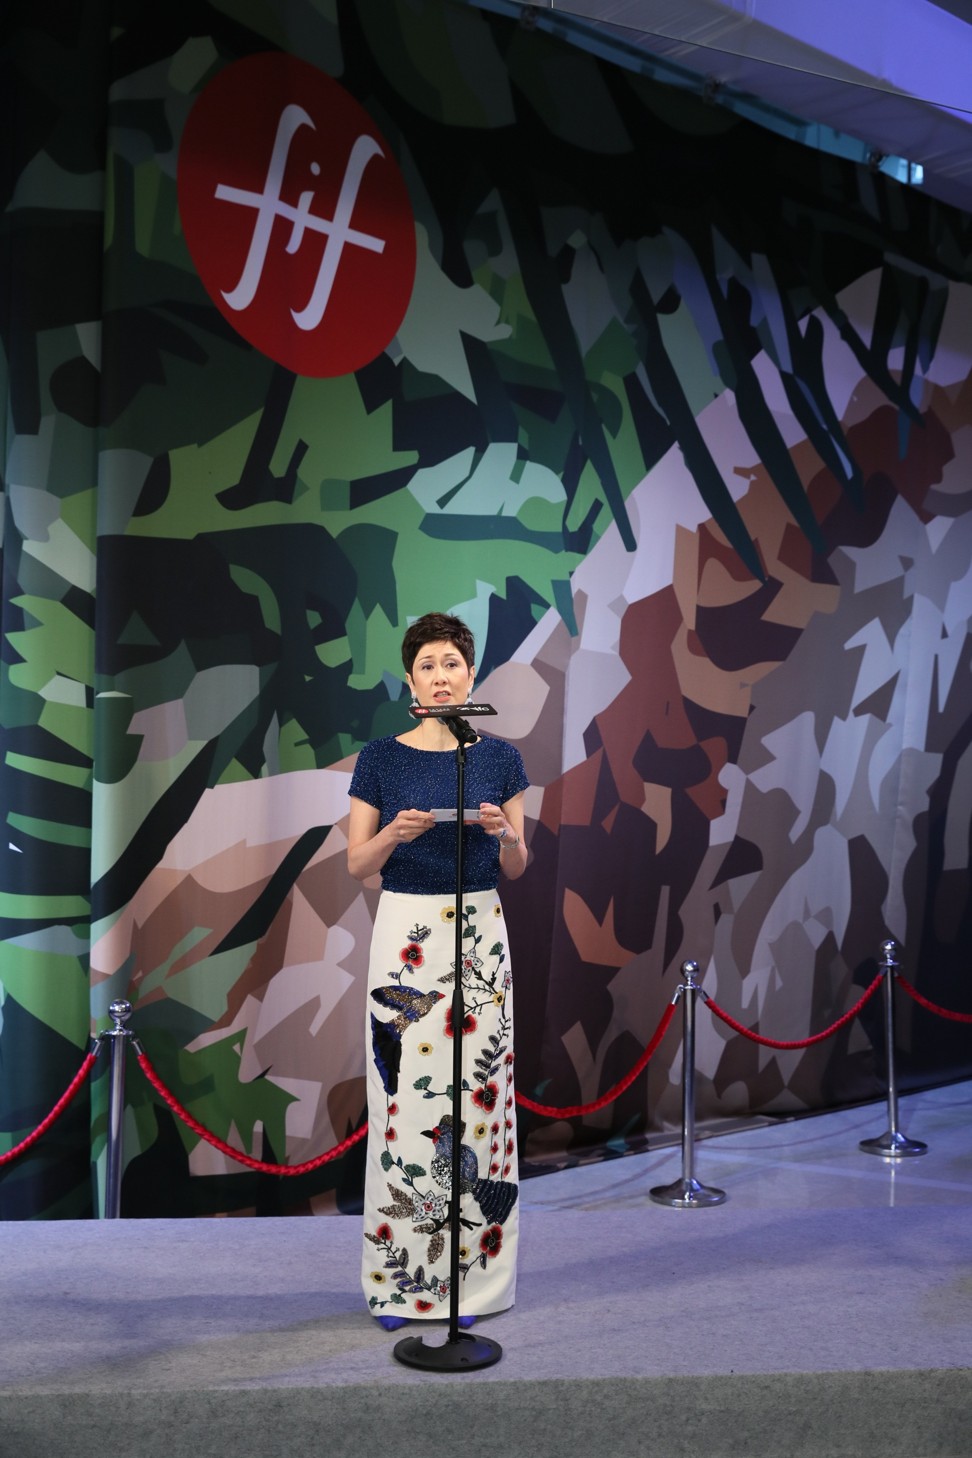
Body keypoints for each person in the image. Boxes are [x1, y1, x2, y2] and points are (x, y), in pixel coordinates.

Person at [348, 612, 528, 1331]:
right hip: (407, 934)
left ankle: (474, 1287)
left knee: (479, 1101)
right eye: (427, 664)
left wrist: (506, 834)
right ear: (410, 678)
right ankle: (403, 1285)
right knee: (406, 1105)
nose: (441, 674)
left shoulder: (500, 758)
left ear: (471, 674)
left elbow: (518, 865)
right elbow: (359, 867)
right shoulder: (381, 759)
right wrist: (396, 831)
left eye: (452, 661)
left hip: (481, 931)